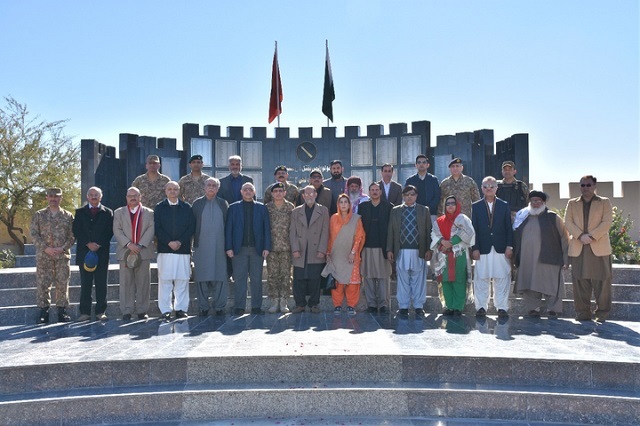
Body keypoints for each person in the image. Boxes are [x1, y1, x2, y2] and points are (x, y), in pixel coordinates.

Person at [564, 175, 614, 323]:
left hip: (599, 247)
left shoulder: (604, 202)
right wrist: (580, 236)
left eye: (588, 185)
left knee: (602, 281)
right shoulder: (572, 203)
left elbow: (607, 222)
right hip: (579, 247)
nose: (585, 188)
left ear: (594, 186)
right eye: (583, 185)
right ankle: (583, 313)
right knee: (580, 282)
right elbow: (568, 221)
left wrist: (591, 236)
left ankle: (602, 313)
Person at [513, 191, 568, 318]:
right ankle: (533, 309)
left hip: (550, 258)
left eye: (538, 201)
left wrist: (566, 259)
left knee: (552, 284)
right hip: (528, 258)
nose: (535, 203)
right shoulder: (523, 217)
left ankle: (553, 309)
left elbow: (564, 238)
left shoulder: (553, 217)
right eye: (532, 201)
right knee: (530, 285)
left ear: (544, 202)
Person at [30, 188, 75, 324]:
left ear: (61, 198)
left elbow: (72, 236)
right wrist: (46, 248)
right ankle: (44, 311)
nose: (53, 199)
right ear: (47, 198)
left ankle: (62, 311)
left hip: (62, 256)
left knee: (62, 283)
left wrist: (63, 248)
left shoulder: (68, 216)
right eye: (51, 196)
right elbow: (34, 234)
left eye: (56, 196)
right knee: (43, 284)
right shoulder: (39, 215)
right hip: (44, 256)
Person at [225, 182, 271, 315]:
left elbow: (266, 229)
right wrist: (229, 247)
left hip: (257, 249)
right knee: (240, 279)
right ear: (241, 192)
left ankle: (256, 306)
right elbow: (229, 229)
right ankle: (239, 306)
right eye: (245, 189)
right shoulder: (233, 208)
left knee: (257, 279)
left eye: (250, 189)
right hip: (239, 249)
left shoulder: (262, 208)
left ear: (255, 192)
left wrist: (266, 247)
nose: (248, 192)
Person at [387, 185, 432, 318]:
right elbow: (391, 231)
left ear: (416, 196)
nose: (409, 197)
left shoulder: (424, 210)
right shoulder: (395, 211)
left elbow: (429, 231)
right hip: (401, 250)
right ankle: (403, 306)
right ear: (403, 196)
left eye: (412, 194)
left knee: (419, 279)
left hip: (419, 250)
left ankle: (418, 306)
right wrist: (389, 249)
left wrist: (429, 249)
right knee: (403, 279)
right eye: (406, 194)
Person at [471, 176, 513, 318]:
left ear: (496, 188)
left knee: (501, 278)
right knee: (481, 278)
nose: (488, 189)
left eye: (491, 186)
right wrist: (474, 248)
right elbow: (473, 229)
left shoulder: (504, 205)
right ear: (481, 188)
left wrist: (510, 246)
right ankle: (481, 307)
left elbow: (509, 227)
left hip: (501, 247)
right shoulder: (475, 206)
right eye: (485, 186)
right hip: (483, 248)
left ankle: (502, 307)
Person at [113, 187, 156, 320]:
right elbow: (117, 230)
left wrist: (140, 244)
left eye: (135, 195)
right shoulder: (119, 212)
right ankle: (127, 310)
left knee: (143, 282)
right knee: (126, 282)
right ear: (126, 197)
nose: (132, 198)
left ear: (140, 197)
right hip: (125, 252)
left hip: (143, 251)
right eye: (130, 195)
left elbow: (151, 229)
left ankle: (142, 310)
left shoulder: (149, 212)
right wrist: (129, 244)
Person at [155, 181, 196, 320]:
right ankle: (165, 310)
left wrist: (179, 242)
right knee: (165, 281)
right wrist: (168, 242)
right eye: (170, 189)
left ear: (179, 191)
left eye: (175, 189)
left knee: (182, 280)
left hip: (182, 250)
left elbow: (191, 227)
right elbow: (157, 228)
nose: (172, 191)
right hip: (165, 250)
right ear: (165, 191)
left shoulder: (186, 207)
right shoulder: (160, 207)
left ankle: (181, 309)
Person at [72, 187, 114, 321]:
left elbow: (110, 231)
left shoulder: (108, 212)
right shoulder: (79, 212)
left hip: (101, 253)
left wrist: (98, 244)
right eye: (91, 195)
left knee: (101, 284)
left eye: (96, 195)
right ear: (87, 197)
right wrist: (87, 243)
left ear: (101, 197)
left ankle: (101, 312)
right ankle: (85, 312)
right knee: (86, 284)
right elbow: (76, 230)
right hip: (85, 253)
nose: (94, 197)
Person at [431, 196, 475, 316]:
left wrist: (452, 242)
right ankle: (448, 306)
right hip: (443, 255)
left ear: (457, 205)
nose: (450, 205)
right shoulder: (439, 221)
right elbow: (434, 234)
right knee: (445, 281)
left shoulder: (462, 219)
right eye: (448, 203)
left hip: (459, 254)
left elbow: (469, 233)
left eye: (453, 203)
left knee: (458, 280)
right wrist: (441, 242)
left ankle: (458, 307)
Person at [323, 194, 365, 315]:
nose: (343, 204)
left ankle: (351, 305)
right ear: (338, 204)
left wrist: (353, 252)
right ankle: (337, 305)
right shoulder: (333, 218)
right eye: (341, 202)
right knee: (338, 282)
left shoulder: (356, 219)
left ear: (349, 204)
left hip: (351, 255)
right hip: (336, 255)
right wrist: (328, 252)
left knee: (352, 282)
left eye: (345, 202)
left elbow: (359, 237)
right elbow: (330, 236)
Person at [290, 185, 330, 313]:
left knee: (315, 278)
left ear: (315, 195)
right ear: (303, 196)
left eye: (311, 193)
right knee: (298, 278)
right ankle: (300, 304)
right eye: (306, 194)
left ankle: (314, 304)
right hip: (301, 249)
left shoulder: (323, 210)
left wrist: (322, 249)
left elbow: (325, 231)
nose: (309, 196)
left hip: (315, 248)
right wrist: (295, 248)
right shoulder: (296, 211)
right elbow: (292, 232)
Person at [192, 177, 229, 317]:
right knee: (202, 275)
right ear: (204, 187)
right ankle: (203, 306)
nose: (211, 187)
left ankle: (219, 306)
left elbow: (228, 224)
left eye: (214, 185)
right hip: (201, 245)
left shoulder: (223, 203)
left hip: (220, 246)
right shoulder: (197, 204)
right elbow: (192, 225)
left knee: (220, 275)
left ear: (218, 188)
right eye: (209, 185)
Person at [358, 183, 392, 314]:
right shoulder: (363, 207)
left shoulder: (389, 207)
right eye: (372, 190)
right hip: (367, 247)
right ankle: (371, 304)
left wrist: (390, 249)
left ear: (381, 192)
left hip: (383, 247)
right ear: (369, 192)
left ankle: (384, 304)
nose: (374, 192)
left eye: (377, 190)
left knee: (383, 277)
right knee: (368, 276)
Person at [265, 182, 295, 313]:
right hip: (271, 247)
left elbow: (293, 228)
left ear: (285, 193)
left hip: (286, 247)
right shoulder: (267, 208)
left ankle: (283, 301)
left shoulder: (290, 207)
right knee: (272, 275)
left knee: (286, 275)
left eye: (280, 191)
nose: (278, 193)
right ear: (272, 194)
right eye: (275, 191)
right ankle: (274, 300)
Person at [405, 155, 441, 222]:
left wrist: (428, 208)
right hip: (414, 212)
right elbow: (406, 196)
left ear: (428, 165)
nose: (421, 164)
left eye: (424, 162)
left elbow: (437, 196)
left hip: (431, 213)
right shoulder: (410, 180)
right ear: (416, 165)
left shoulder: (433, 180)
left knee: (431, 232)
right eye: (419, 162)